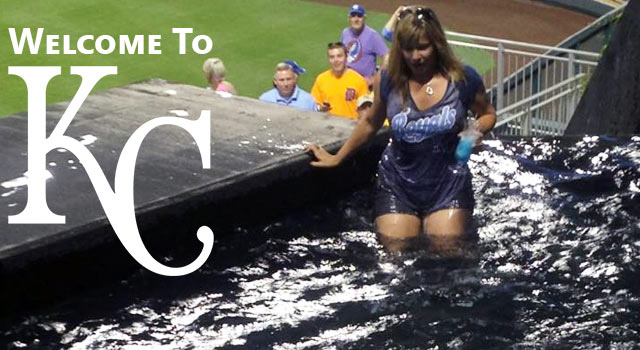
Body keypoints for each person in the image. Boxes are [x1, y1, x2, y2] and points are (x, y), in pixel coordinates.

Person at [307, 7, 496, 253]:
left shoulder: (463, 79)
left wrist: (473, 131)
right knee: (395, 252)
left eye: (423, 47)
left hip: (447, 183)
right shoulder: (388, 78)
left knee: (448, 249)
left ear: (437, 44)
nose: (415, 56)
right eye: (408, 49)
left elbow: (488, 114)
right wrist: (338, 157)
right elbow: (370, 122)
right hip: (398, 182)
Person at [311, 42, 370, 120]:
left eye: (339, 56)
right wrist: (321, 108)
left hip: (351, 126)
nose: (336, 60)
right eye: (332, 57)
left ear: (346, 56)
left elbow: (366, 109)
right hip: (328, 126)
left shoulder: (358, 80)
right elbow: (313, 105)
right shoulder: (321, 79)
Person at [341, 4, 389, 86]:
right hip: (346, 81)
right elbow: (341, 55)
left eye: (359, 16)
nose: (356, 19)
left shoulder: (372, 35)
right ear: (349, 18)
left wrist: (375, 78)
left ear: (364, 18)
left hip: (364, 84)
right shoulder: (345, 33)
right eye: (353, 16)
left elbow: (387, 57)